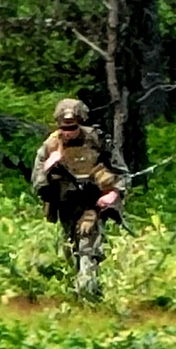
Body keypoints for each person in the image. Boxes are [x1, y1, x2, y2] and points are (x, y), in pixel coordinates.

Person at [31, 98, 124, 299]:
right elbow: (37, 183)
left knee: (88, 247)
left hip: (93, 204)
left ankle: (87, 293)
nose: (68, 132)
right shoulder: (50, 145)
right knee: (71, 251)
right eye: (64, 128)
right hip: (65, 206)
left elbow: (121, 172)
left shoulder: (97, 140)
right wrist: (49, 166)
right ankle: (87, 294)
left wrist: (113, 194)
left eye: (72, 127)